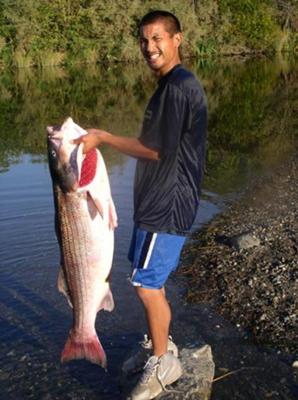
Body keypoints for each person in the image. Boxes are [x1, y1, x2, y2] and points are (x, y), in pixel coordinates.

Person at [74, 10, 207, 400]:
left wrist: (104, 137)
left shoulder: (179, 86)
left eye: (158, 38)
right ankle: (160, 345)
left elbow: (154, 149)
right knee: (150, 282)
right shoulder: (169, 85)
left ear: (177, 39)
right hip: (157, 201)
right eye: (144, 40)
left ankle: (163, 364)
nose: (149, 47)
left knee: (146, 286)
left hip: (168, 204)